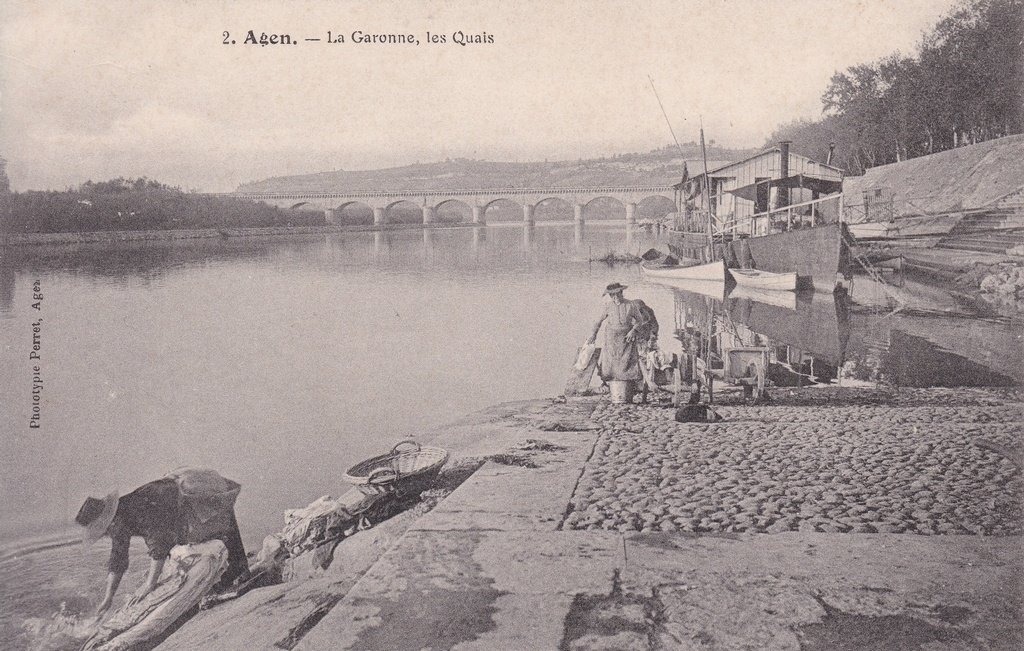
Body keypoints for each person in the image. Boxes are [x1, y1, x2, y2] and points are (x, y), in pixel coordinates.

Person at [75, 469, 249, 616]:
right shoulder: (120, 522)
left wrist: (149, 584)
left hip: (198, 490)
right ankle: (229, 575)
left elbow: (159, 543)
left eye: (105, 529)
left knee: (218, 530)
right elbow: (118, 558)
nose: (107, 534)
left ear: (110, 520)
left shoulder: (135, 509)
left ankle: (239, 576)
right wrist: (108, 598)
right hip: (179, 500)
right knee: (193, 540)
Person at [587, 283, 649, 397]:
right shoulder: (607, 306)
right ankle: (608, 384)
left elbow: (640, 321)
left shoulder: (630, 305)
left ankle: (629, 386)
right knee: (610, 361)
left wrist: (633, 331)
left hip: (627, 338)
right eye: (612, 295)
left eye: (616, 294)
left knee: (627, 361)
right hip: (611, 337)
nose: (615, 297)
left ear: (621, 293)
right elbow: (598, 322)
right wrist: (593, 335)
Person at [631, 298, 660, 403]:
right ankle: (642, 382)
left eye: (641, 310)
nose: (640, 312)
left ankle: (649, 381)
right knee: (639, 358)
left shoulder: (649, 312)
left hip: (647, 339)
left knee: (652, 357)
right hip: (636, 340)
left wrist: (653, 336)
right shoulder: (630, 315)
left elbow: (655, 326)